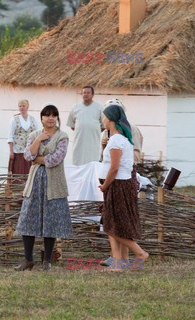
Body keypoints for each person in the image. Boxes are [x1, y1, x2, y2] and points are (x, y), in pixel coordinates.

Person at [15, 104, 72, 271]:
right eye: (47, 115)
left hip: (54, 183)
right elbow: (27, 156)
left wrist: (37, 159)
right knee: (28, 218)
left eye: (54, 115)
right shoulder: (34, 135)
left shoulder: (63, 137)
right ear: (41, 118)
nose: (50, 118)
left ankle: (47, 260)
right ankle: (28, 260)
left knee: (51, 220)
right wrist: (38, 140)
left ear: (57, 118)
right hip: (35, 183)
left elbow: (56, 159)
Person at [99, 104, 149, 271]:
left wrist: (105, 185)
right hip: (121, 184)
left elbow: (114, 168)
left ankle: (140, 253)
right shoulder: (121, 139)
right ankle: (120, 262)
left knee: (112, 225)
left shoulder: (116, 141)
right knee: (117, 224)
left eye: (104, 116)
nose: (102, 119)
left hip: (117, 185)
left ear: (110, 119)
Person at [66, 86, 104, 165]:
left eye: (88, 92)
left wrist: (92, 130)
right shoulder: (75, 107)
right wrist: (82, 129)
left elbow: (103, 126)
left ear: (92, 94)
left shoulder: (99, 107)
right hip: (79, 140)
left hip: (93, 141)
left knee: (92, 162)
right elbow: (72, 125)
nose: (85, 94)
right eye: (84, 93)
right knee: (77, 162)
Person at [8, 99, 41, 174]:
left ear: (27, 107)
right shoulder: (14, 119)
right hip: (18, 150)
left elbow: (37, 136)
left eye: (23, 106)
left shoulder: (33, 120)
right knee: (18, 171)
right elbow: (10, 136)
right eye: (20, 106)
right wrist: (11, 151)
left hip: (30, 151)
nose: (21, 108)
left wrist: (37, 150)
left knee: (29, 172)